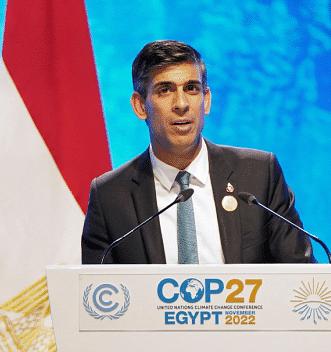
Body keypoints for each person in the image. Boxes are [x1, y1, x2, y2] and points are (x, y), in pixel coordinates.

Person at [82, 39, 315, 265]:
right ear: (140, 106)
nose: (181, 104)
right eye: (165, 90)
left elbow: (303, 279)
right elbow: (96, 295)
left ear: (206, 100)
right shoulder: (109, 197)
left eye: (192, 89)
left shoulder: (259, 175)